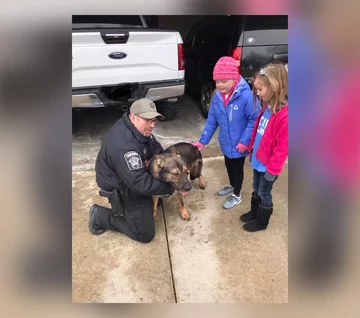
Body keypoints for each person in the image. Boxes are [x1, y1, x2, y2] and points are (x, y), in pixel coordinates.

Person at [88, 98, 174, 243]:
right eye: (148, 120)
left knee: (156, 194)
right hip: (120, 184)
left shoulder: (139, 129)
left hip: (131, 175)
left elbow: (156, 149)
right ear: (133, 117)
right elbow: (138, 183)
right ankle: (99, 215)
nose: (152, 125)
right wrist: (169, 186)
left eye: (154, 120)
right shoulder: (124, 145)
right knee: (144, 233)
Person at [192, 56, 261, 209]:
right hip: (225, 142)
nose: (220, 85)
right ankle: (231, 185)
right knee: (228, 165)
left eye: (224, 81)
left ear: (234, 78)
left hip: (239, 144)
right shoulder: (217, 97)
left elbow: (254, 120)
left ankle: (237, 194)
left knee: (237, 169)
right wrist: (202, 141)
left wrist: (245, 141)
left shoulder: (246, 96)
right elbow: (212, 120)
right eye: (217, 81)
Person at [240, 62, 288, 232]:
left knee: (264, 192)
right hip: (257, 159)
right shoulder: (266, 108)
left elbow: (282, 149)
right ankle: (254, 212)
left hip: (269, 166)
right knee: (256, 187)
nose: (258, 93)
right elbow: (258, 132)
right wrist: (251, 149)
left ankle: (262, 221)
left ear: (274, 87)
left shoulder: (285, 116)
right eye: (256, 90)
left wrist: (273, 171)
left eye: (260, 90)